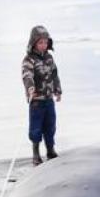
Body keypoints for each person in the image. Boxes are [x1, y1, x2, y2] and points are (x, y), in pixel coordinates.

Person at [21, 25, 62, 166]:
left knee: (50, 126)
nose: (43, 45)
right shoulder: (29, 60)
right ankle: (36, 154)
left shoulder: (50, 58)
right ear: (33, 43)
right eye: (40, 42)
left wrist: (58, 90)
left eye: (45, 42)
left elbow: (55, 75)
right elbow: (27, 75)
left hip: (49, 99)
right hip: (37, 101)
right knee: (36, 128)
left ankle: (50, 150)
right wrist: (30, 88)